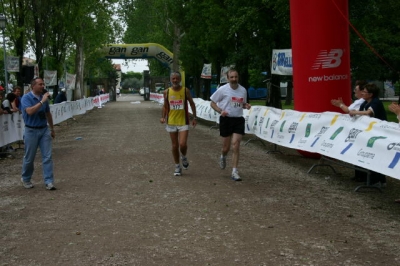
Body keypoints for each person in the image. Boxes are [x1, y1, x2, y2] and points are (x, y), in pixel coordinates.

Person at [210, 69, 251, 181]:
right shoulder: (222, 90)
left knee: (236, 144)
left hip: (238, 119)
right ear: (228, 78)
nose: (234, 79)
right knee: (226, 148)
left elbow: (241, 104)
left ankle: (234, 171)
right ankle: (223, 156)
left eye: (235, 77)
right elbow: (212, 103)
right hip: (226, 119)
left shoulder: (243, 90)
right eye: (231, 77)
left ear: (238, 77)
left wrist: (246, 106)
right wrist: (220, 111)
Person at [20, 77, 56, 190]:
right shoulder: (26, 98)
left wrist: (52, 128)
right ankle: (26, 178)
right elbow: (29, 111)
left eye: (43, 84)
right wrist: (42, 101)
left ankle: (49, 181)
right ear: (33, 86)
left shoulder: (43, 98)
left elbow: (48, 114)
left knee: (47, 157)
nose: (42, 86)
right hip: (31, 130)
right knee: (29, 157)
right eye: (40, 84)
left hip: (44, 129)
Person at [349, 83, 387, 187]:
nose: (362, 93)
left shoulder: (376, 102)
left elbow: (368, 113)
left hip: (378, 134)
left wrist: (355, 112)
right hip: (368, 133)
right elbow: (361, 112)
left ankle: (379, 180)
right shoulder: (365, 103)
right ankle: (364, 176)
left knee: (375, 155)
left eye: (365, 92)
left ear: (371, 94)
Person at [160, 71, 197, 176]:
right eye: (173, 79)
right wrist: (163, 117)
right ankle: (177, 166)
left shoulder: (185, 91)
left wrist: (194, 117)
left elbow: (192, 103)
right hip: (171, 122)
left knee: (182, 144)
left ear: (180, 80)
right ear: (171, 80)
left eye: (177, 78)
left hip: (183, 121)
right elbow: (165, 106)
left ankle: (184, 156)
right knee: (175, 146)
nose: (175, 80)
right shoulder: (167, 92)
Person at [331, 80, 367, 182]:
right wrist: (341, 105)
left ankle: (363, 176)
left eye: (356, 90)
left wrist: (341, 105)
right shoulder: (358, 101)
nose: (354, 92)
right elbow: (349, 110)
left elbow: (349, 111)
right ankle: (359, 174)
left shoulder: (362, 101)